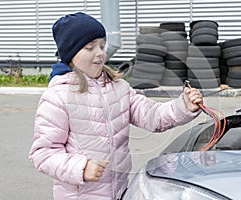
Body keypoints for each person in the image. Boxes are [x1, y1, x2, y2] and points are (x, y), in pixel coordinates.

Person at [29, 12, 203, 200]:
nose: (100, 53)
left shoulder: (119, 88)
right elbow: (43, 153)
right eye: (89, 48)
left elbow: (153, 115)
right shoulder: (58, 96)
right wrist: (81, 167)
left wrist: (183, 106)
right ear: (70, 54)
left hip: (119, 192)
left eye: (102, 46)